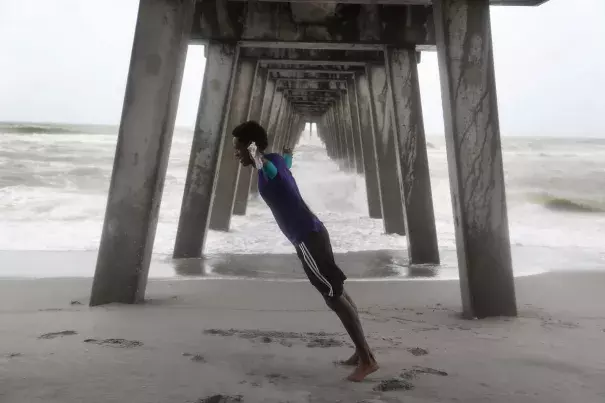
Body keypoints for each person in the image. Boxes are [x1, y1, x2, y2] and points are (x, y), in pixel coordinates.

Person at [232, 120, 378, 382]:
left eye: (238, 148)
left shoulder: (267, 167)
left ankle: (367, 360)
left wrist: (256, 155)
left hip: (307, 239)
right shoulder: (277, 161)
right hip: (315, 232)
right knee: (337, 291)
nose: (236, 153)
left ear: (250, 147)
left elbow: (272, 169)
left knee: (333, 297)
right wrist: (288, 153)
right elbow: (285, 163)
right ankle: (361, 352)